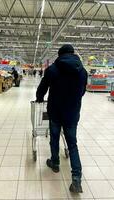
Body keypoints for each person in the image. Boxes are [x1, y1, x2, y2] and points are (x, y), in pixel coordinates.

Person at [36, 44, 87, 193]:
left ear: (59, 55)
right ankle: (76, 179)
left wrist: (40, 98)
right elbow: (82, 92)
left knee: (54, 138)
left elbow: (42, 87)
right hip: (72, 113)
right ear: (73, 53)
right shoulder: (82, 71)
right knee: (72, 145)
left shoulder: (52, 69)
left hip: (56, 112)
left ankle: (55, 162)